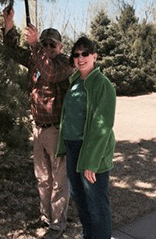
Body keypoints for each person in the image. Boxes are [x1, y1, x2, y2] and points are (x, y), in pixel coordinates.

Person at [2, 6, 73, 239]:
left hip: (56, 131)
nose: (48, 47)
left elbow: (50, 73)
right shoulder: (36, 58)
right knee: (42, 178)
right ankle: (45, 216)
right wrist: (9, 24)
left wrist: (34, 46)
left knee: (59, 180)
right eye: (45, 43)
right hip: (38, 129)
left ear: (61, 47)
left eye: (52, 44)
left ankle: (57, 223)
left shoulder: (65, 63)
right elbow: (12, 50)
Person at [56, 36, 116, 239]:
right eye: (76, 55)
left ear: (94, 56)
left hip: (91, 152)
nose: (80, 58)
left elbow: (102, 126)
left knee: (96, 204)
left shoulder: (103, 85)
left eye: (85, 54)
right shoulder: (74, 83)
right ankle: (88, 235)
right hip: (73, 149)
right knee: (80, 199)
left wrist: (91, 161)